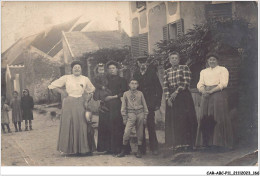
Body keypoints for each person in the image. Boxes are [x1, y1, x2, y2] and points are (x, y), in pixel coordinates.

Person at [48, 60, 96, 155]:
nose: (77, 69)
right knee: (69, 124)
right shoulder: (66, 78)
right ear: (72, 69)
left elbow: (91, 90)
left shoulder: (85, 79)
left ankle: (83, 149)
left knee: (82, 124)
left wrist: (87, 100)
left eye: (78, 67)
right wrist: (62, 92)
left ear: (81, 69)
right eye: (75, 68)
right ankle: (70, 149)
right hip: (69, 103)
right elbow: (52, 85)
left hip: (81, 103)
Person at [196, 53, 233, 149]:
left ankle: (219, 144)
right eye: (210, 60)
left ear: (217, 61)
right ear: (207, 61)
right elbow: (200, 83)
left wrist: (211, 91)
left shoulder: (222, 69)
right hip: (206, 95)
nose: (211, 61)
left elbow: (224, 84)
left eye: (214, 59)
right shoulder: (203, 71)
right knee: (205, 117)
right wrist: (203, 91)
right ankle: (206, 143)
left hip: (218, 94)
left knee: (218, 117)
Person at [163, 51, 197, 151]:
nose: (174, 60)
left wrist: (176, 92)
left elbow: (186, 82)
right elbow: (165, 85)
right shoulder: (167, 71)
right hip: (171, 98)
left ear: (179, 59)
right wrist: (167, 98)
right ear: (169, 60)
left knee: (184, 119)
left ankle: (187, 144)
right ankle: (175, 144)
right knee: (173, 120)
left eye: (176, 58)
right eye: (172, 58)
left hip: (183, 96)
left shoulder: (184, 68)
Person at [133, 56, 162, 155]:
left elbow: (159, 89)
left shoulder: (152, 73)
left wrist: (157, 103)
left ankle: (154, 148)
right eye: (140, 63)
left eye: (144, 62)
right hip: (139, 105)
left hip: (150, 104)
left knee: (151, 125)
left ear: (147, 64)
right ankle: (141, 149)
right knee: (140, 126)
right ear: (138, 64)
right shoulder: (135, 74)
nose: (142, 64)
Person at [118, 79, 149, 158]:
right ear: (129, 85)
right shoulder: (126, 94)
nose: (134, 85)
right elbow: (123, 106)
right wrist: (124, 117)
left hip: (140, 113)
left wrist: (145, 116)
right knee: (126, 132)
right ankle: (123, 150)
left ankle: (139, 150)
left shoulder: (140, 93)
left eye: (135, 84)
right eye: (132, 83)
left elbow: (144, 105)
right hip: (130, 114)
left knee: (140, 132)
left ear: (138, 85)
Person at [104, 60, 129, 155]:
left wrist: (114, 97)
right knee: (109, 126)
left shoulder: (122, 80)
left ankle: (122, 148)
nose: (112, 70)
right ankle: (111, 148)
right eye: (110, 68)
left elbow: (124, 92)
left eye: (113, 68)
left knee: (119, 126)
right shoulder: (106, 81)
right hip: (108, 105)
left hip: (118, 104)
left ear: (117, 69)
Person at [94, 63, 112, 153]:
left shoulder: (107, 76)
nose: (101, 70)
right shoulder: (96, 77)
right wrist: (101, 86)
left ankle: (109, 146)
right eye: (99, 69)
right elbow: (95, 84)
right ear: (97, 70)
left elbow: (109, 84)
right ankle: (102, 147)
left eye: (102, 69)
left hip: (107, 92)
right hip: (100, 92)